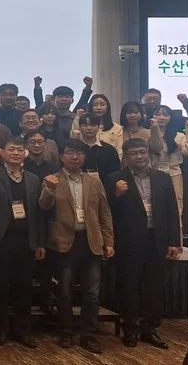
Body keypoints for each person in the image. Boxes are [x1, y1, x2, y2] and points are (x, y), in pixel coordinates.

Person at [39, 139, 114, 354]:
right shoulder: (52, 179)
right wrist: (50, 189)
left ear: (84, 156)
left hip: (91, 242)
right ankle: (66, 332)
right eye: (70, 152)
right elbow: (43, 206)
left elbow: (104, 213)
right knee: (64, 292)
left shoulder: (94, 181)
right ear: (62, 156)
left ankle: (88, 335)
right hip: (64, 242)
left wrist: (109, 241)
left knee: (92, 293)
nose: (75, 157)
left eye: (79, 153)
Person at [106, 138, 182, 349]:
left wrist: (174, 241)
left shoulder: (162, 178)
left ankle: (150, 329)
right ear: (125, 156)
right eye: (134, 153)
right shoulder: (114, 179)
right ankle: (130, 328)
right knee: (128, 286)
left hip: (156, 240)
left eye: (142, 152)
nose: (139, 156)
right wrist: (116, 195)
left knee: (154, 286)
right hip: (128, 242)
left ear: (148, 152)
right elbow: (106, 212)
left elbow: (172, 211)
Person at [0, 139, 45, 348]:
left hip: (26, 239)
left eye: (20, 149)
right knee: (1, 287)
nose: (16, 153)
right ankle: (1, 330)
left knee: (24, 287)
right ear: (3, 153)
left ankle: (22, 331)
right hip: (2, 238)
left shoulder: (33, 179)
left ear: (25, 153)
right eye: (11, 149)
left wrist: (39, 242)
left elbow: (38, 213)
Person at [148, 106, 188, 220]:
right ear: (152, 116)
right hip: (154, 173)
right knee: (156, 205)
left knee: (176, 205)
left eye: (165, 115)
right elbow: (157, 148)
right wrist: (155, 129)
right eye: (158, 114)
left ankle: (177, 231)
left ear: (171, 117)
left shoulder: (178, 135)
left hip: (174, 174)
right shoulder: (148, 134)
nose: (161, 117)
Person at [73, 113, 122, 182]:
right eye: (85, 125)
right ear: (80, 128)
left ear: (98, 127)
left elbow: (115, 172)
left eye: (92, 125)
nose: (89, 128)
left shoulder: (109, 149)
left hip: (105, 186)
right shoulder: (74, 149)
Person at [74, 94, 123, 158]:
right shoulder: (85, 126)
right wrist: (78, 117)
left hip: (110, 160)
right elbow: (74, 137)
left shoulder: (117, 128)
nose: (99, 108)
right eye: (95, 105)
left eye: (102, 105)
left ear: (108, 107)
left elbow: (119, 151)